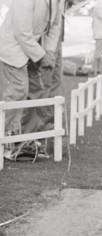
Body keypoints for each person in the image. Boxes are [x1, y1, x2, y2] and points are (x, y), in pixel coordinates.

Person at [0, 0, 59, 158]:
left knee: (36, 91)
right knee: (17, 92)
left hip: (32, 49)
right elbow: (21, 32)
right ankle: (5, 140)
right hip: (12, 48)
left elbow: (54, 26)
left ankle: (22, 143)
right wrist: (41, 56)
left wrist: (50, 52)